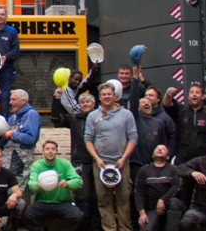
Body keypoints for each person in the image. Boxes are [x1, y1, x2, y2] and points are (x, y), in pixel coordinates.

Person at [85, 82, 138, 231]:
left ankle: (125, 228)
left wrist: (124, 158)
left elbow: (133, 138)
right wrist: (97, 158)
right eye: (103, 95)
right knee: (103, 200)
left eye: (109, 94)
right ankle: (109, 228)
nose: (107, 97)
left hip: (121, 163)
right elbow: (88, 140)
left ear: (114, 96)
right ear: (100, 97)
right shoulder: (93, 116)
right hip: (101, 164)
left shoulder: (126, 114)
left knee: (124, 199)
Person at [51, 92, 98, 231]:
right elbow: (55, 119)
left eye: (88, 102)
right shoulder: (74, 118)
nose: (85, 105)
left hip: (98, 160)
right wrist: (56, 100)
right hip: (80, 161)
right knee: (83, 197)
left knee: (98, 197)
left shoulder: (100, 118)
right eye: (82, 103)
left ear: (94, 104)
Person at [24, 140, 85, 231]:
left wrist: (67, 183)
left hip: (63, 203)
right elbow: (31, 183)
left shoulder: (65, 164)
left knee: (77, 216)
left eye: (53, 149)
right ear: (43, 151)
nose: (50, 151)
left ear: (57, 151)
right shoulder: (37, 165)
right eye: (47, 149)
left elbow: (78, 181)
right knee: (28, 214)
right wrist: (39, 186)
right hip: (42, 203)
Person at [162, 83, 206, 164]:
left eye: (197, 93)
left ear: (203, 96)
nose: (194, 94)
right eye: (191, 92)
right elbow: (167, 105)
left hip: (204, 161)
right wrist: (168, 94)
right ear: (188, 96)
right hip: (182, 160)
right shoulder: (181, 111)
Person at [132, 95, 176, 193]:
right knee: (137, 190)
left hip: (153, 164)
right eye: (143, 102)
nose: (146, 103)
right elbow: (133, 102)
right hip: (136, 164)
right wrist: (135, 81)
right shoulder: (135, 119)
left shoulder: (159, 123)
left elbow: (162, 144)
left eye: (148, 102)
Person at [134, 144, 180, 231]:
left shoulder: (173, 169)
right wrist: (142, 213)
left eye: (163, 149)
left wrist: (162, 199)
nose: (160, 149)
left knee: (175, 202)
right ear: (152, 155)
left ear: (167, 157)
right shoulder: (144, 170)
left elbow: (177, 187)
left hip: (170, 207)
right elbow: (139, 192)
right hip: (152, 208)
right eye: (157, 148)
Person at [1, 89, 42, 177]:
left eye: (13, 99)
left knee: (16, 188)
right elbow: (4, 136)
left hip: (20, 160)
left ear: (23, 101)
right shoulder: (13, 117)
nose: (10, 102)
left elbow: (30, 138)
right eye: (10, 99)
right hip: (6, 158)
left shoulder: (31, 114)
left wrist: (12, 134)